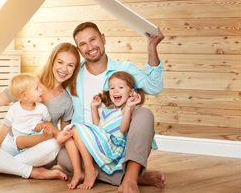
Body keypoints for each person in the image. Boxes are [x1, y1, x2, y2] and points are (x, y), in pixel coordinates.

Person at [57, 22, 166, 193]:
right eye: (83, 44)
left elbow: (154, 87)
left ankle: (130, 178)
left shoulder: (124, 69)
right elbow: (62, 108)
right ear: (79, 50)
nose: (90, 47)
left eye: (92, 39)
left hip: (122, 144)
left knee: (144, 113)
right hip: (89, 146)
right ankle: (134, 176)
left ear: (103, 39)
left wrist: (152, 47)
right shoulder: (72, 74)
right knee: (63, 157)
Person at [0, 42, 80, 180]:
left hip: (39, 149)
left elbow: (63, 135)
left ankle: (2, 167)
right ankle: (32, 172)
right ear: (52, 61)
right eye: (60, 62)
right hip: (14, 143)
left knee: (54, 144)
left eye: (70, 65)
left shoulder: (66, 101)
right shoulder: (28, 83)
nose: (64, 69)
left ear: (75, 69)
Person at [62, 71, 148, 190]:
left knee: (76, 128)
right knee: (73, 132)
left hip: (114, 146)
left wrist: (129, 107)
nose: (115, 90)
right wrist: (94, 108)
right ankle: (82, 171)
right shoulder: (108, 108)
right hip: (105, 141)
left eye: (120, 87)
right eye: (112, 88)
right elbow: (99, 127)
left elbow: (123, 129)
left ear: (131, 92)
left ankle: (90, 170)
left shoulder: (127, 108)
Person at [0, 73, 72, 152]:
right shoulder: (14, 109)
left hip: (36, 134)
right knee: (19, 140)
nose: (41, 90)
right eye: (37, 89)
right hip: (22, 138)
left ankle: (59, 134)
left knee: (48, 125)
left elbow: (49, 122)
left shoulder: (41, 107)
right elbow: (5, 127)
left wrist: (41, 125)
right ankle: (44, 137)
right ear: (24, 96)